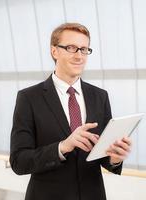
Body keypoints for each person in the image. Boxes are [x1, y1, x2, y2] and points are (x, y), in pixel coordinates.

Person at [10, 23, 132, 200]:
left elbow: (103, 156)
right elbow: (19, 161)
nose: (79, 56)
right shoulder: (29, 98)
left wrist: (115, 158)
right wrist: (63, 146)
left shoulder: (100, 96)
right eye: (71, 48)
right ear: (54, 51)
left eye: (84, 49)